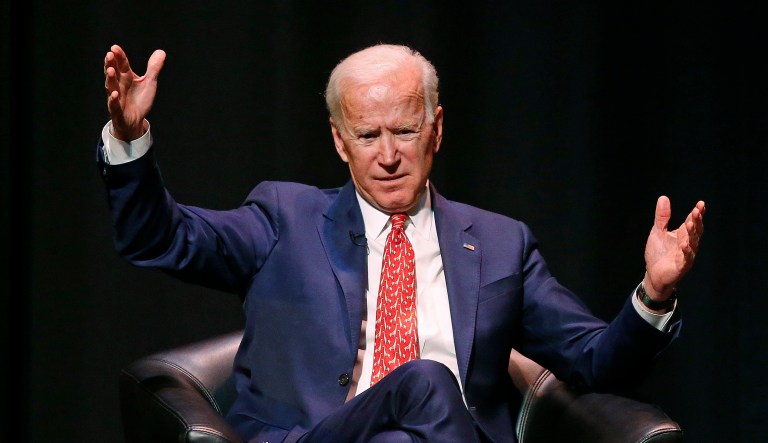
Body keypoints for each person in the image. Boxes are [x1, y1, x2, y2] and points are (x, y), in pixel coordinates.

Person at [99, 43, 705, 443]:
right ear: (340, 143)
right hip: (315, 437)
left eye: (405, 131)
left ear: (436, 129)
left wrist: (652, 295)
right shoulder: (284, 216)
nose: (387, 155)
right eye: (367, 136)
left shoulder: (498, 243)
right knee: (425, 381)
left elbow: (596, 360)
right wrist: (130, 142)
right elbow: (163, 239)